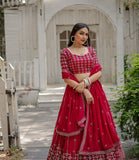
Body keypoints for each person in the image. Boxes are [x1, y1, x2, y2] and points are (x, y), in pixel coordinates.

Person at [47, 23, 125, 160]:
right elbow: (66, 76)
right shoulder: (65, 52)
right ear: (73, 35)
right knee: (75, 125)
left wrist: (85, 83)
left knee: (97, 125)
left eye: (86, 34)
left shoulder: (91, 50)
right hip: (74, 93)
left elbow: (98, 72)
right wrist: (84, 91)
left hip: (95, 91)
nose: (84, 37)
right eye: (81, 33)